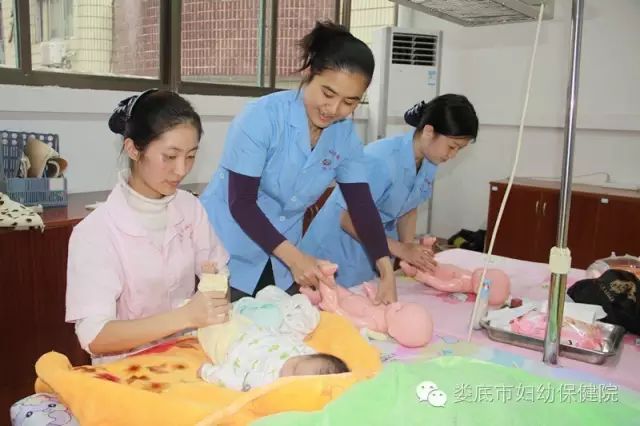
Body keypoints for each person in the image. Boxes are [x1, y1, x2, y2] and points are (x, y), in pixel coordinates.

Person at [199, 21, 397, 304]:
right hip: (227, 248)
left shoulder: (345, 137)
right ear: (309, 73)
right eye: (328, 93)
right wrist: (296, 259)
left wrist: (386, 269)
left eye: (349, 102)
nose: (333, 109)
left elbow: (362, 205)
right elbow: (241, 203)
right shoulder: (262, 117)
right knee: (224, 325)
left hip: (280, 258)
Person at [65, 89, 231, 364]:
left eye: (191, 156)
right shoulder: (95, 232)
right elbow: (94, 336)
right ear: (133, 149)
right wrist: (186, 316)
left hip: (185, 356)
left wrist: (214, 290)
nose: (181, 170)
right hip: (129, 368)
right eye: (170, 156)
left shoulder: (189, 208)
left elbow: (218, 272)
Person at [300, 94, 478, 287]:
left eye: (459, 149)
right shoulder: (380, 160)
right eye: (452, 146)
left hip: (372, 251)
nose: (453, 155)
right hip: (335, 250)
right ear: (429, 131)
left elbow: (408, 208)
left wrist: (409, 249)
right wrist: (401, 249)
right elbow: (348, 219)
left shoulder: (429, 162)